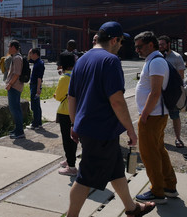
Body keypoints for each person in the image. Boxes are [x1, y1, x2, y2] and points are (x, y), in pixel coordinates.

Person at [66, 21, 155, 217]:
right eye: (121, 42)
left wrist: (74, 124)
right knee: (85, 178)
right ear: (114, 40)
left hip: (89, 127)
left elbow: (71, 97)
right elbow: (117, 101)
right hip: (102, 131)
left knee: (116, 171)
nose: (121, 46)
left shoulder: (81, 59)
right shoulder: (111, 61)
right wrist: (130, 130)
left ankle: (131, 208)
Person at [134, 31, 177, 205]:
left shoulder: (156, 62)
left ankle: (157, 191)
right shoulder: (154, 60)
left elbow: (155, 91)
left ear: (150, 45)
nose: (137, 50)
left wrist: (144, 114)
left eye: (140, 46)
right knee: (158, 150)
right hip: (154, 114)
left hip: (152, 115)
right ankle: (169, 186)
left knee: (149, 153)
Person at [158, 35, 186, 148]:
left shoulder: (177, 57)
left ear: (168, 44)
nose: (160, 46)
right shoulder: (158, 56)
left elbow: (181, 75)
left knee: (175, 115)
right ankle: (160, 137)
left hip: (172, 91)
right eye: (159, 44)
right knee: (159, 115)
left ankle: (178, 138)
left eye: (162, 44)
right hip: (159, 91)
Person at [55, 51, 77, 176]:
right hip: (76, 111)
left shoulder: (64, 78)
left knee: (67, 139)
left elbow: (58, 97)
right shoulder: (77, 75)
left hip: (65, 111)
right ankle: (69, 160)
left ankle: (72, 167)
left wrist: (56, 95)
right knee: (73, 138)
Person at [5, 40, 25, 139]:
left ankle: (20, 131)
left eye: (9, 46)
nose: (8, 48)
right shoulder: (16, 57)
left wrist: (10, 84)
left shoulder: (17, 58)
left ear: (13, 47)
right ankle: (17, 129)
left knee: (15, 109)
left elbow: (17, 73)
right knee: (16, 108)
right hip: (15, 86)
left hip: (14, 86)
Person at [27, 47, 45, 129]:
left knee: (34, 104)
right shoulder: (37, 62)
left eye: (31, 54)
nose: (30, 55)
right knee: (37, 104)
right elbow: (28, 60)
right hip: (34, 85)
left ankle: (35, 123)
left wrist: (38, 88)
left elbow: (39, 78)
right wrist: (29, 52)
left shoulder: (39, 64)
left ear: (35, 54)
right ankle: (39, 122)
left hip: (35, 85)